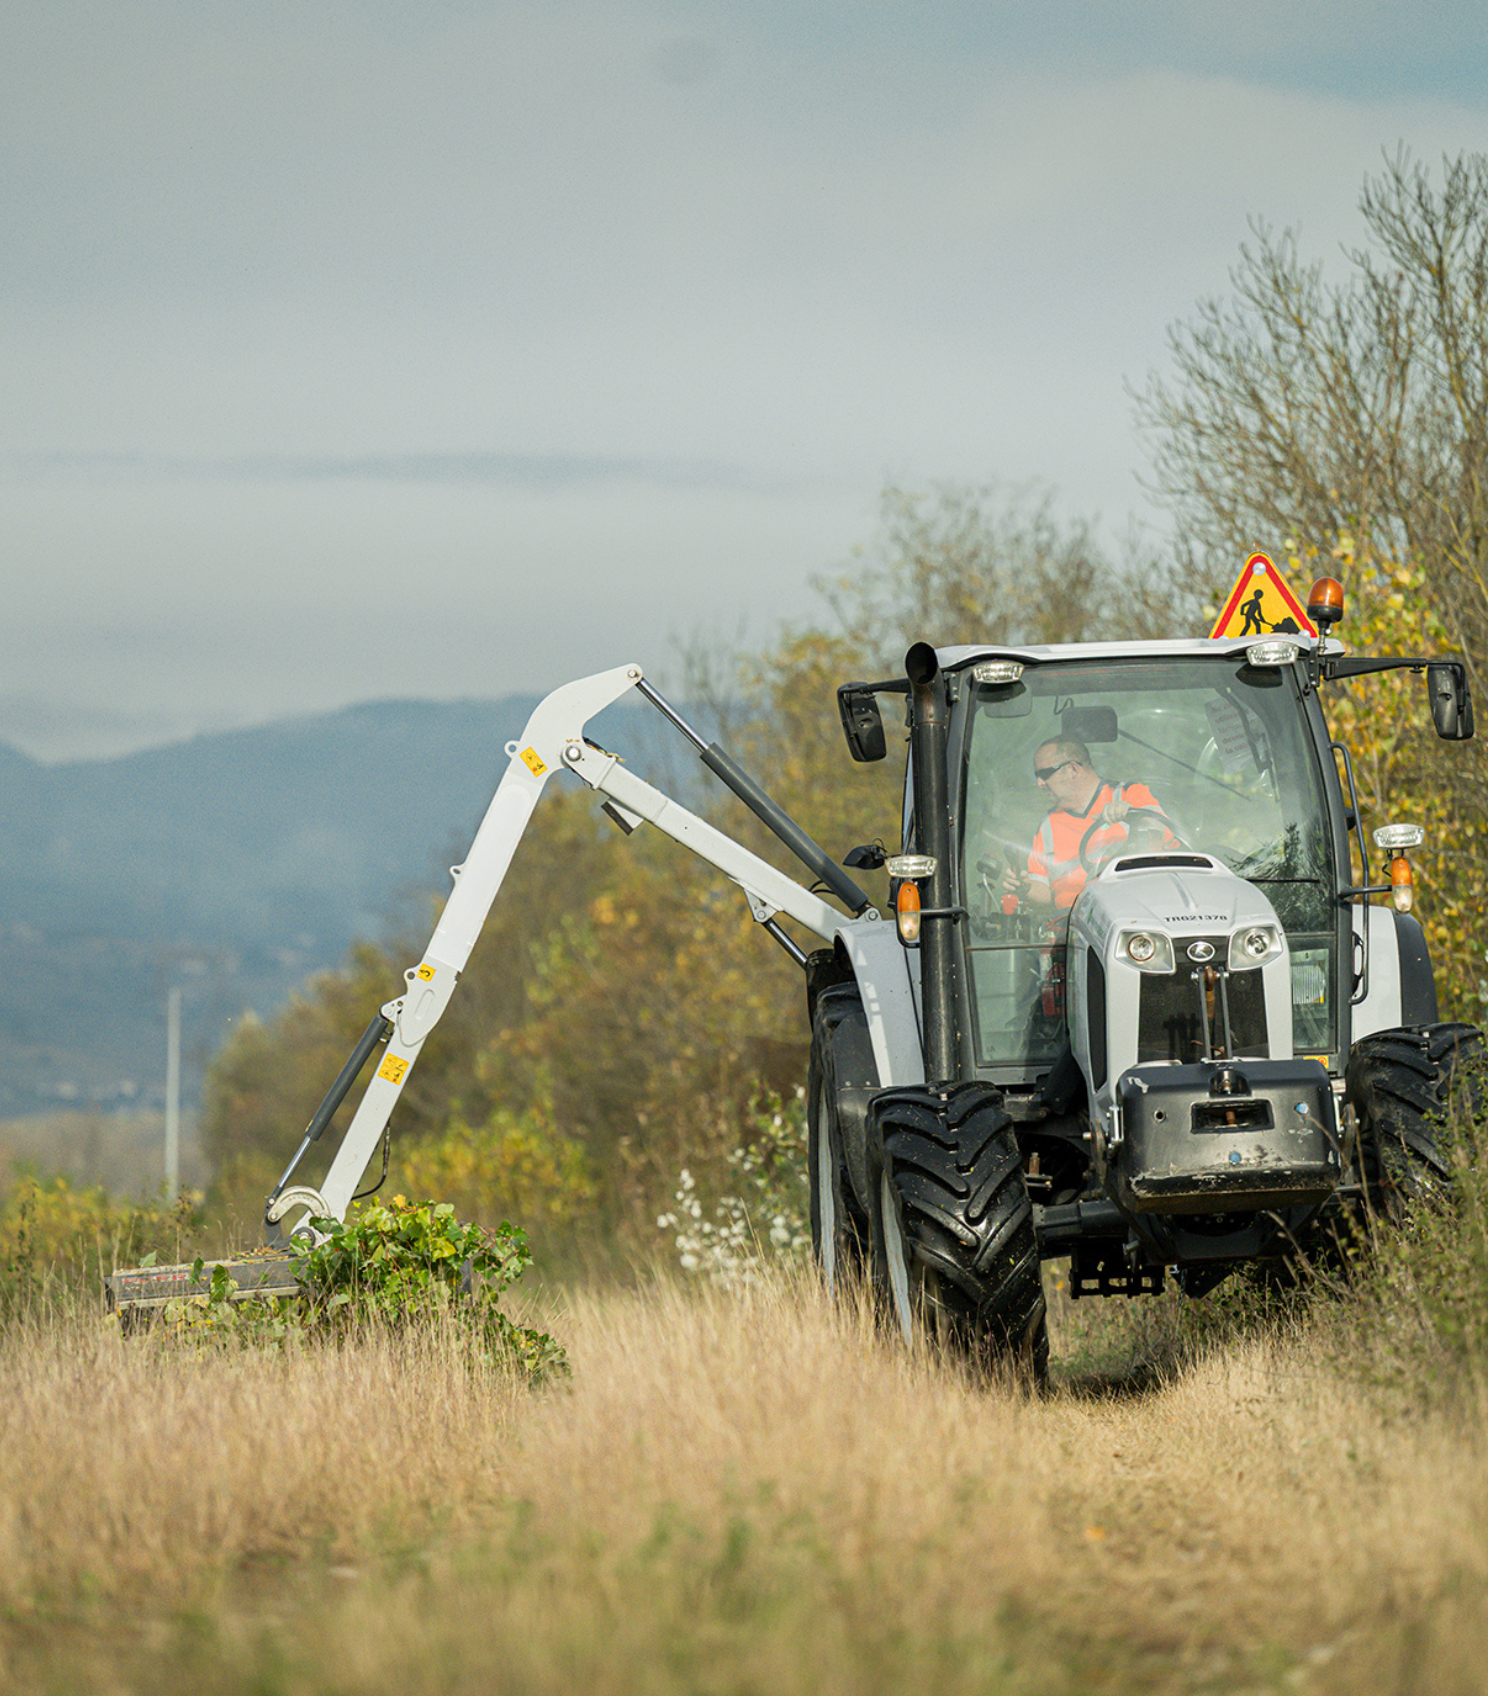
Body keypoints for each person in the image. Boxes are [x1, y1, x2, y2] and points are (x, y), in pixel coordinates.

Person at [1007, 738, 1175, 909]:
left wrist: (1132, 816)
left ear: (1073, 769)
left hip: (1137, 909)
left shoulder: (1130, 795)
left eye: (1044, 774)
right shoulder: (1047, 825)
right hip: (1071, 921)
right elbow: (1043, 889)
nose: (1039, 784)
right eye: (1037, 776)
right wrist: (1024, 887)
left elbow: (1166, 835)